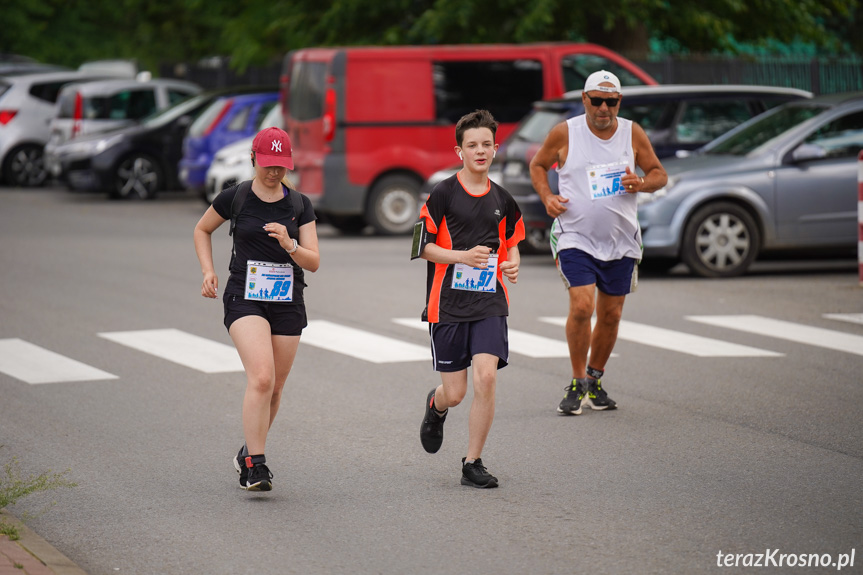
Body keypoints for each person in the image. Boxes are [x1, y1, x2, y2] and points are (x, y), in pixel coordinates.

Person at [528, 70, 667, 416]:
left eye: (612, 101)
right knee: (582, 306)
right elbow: (538, 165)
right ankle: (576, 382)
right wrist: (547, 197)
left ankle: (594, 379)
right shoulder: (566, 132)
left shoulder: (632, 133)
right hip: (575, 235)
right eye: (597, 100)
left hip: (620, 239)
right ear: (585, 100)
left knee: (611, 314)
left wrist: (641, 183)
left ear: (619, 102)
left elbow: (659, 174)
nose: (604, 108)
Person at [193, 127, 319, 491]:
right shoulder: (236, 197)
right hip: (244, 296)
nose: (274, 172)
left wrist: (290, 244)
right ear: (253, 159)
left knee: (275, 389)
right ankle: (256, 465)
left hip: (287, 299)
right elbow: (202, 230)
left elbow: (314, 261)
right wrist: (208, 270)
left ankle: (247, 450)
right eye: (267, 165)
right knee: (261, 377)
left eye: (281, 166)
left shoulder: (299, 205)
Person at [412, 109, 525, 488]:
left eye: (487, 144)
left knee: (487, 378)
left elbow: (512, 245)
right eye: (472, 145)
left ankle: (472, 462)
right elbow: (420, 248)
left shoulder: (503, 200)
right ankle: (436, 405)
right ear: (459, 150)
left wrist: (511, 264)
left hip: (489, 301)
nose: (480, 151)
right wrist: (462, 256)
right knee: (457, 393)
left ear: (495, 149)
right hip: (446, 304)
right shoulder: (442, 194)